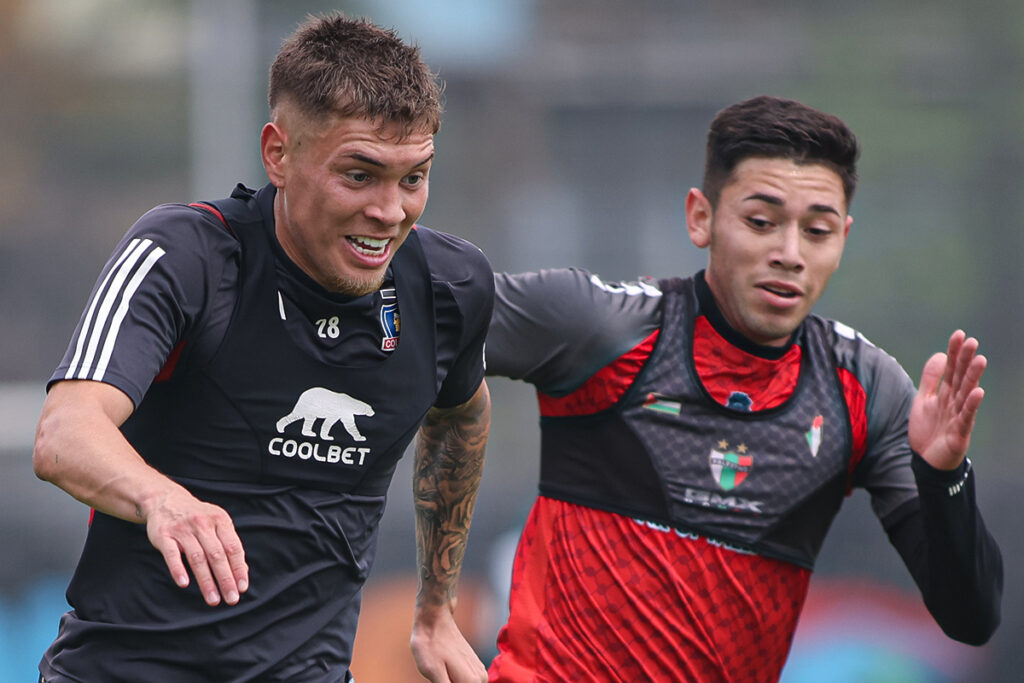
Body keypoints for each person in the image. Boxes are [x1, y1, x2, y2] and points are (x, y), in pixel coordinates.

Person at [32, 13, 492, 683]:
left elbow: (462, 416)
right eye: (359, 175)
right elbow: (65, 433)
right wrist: (164, 500)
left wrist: (437, 606)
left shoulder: (449, 288)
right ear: (278, 153)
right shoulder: (186, 256)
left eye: (413, 178)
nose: (391, 211)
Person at [483, 95, 1002, 682]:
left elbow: (972, 618)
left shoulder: (867, 390)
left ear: (843, 238)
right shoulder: (600, 327)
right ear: (700, 217)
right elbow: (412, 322)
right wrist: (429, 603)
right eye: (761, 222)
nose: (789, 254)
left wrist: (944, 477)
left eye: (818, 231)